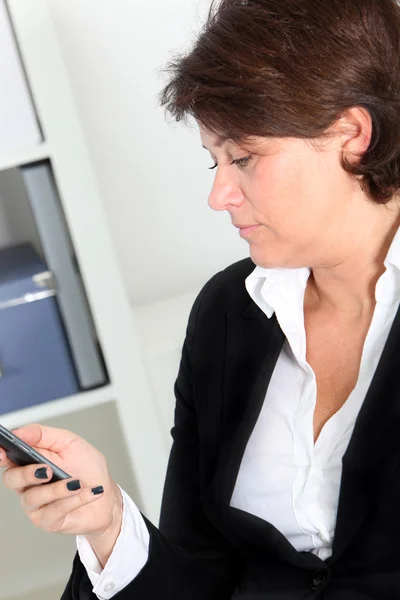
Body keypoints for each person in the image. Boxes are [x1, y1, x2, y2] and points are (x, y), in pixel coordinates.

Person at [2, 0, 400, 597]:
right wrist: (108, 523)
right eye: (214, 161)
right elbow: (200, 574)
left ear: (352, 136)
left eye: (242, 158)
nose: (218, 194)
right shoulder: (228, 314)